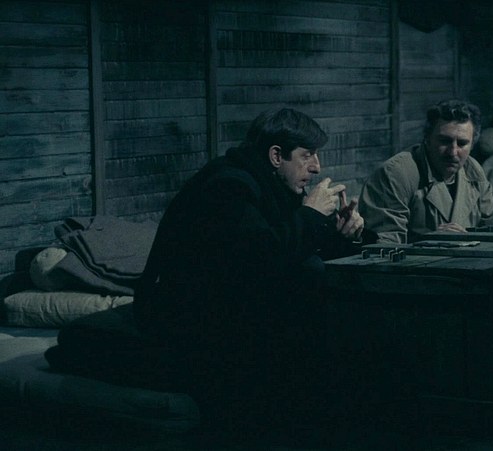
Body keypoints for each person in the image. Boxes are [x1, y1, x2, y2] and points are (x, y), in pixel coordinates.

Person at [133, 107, 370, 436]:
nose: (317, 167)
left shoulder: (271, 185)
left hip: (230, 308)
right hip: (184, 315)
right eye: (307, 156)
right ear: (276, 156)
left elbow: (289, 244)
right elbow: (261, 258)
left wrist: (345, 234)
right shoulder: (227, 186)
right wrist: (311, 217)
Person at [359, 99, 493, 243]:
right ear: (427, 139)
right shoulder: (396, 174)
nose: (453, 152)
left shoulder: (472, 170)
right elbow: (382, 245)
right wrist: (431, 241)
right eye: (444, 141)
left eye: (462, 143)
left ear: (472, 145)